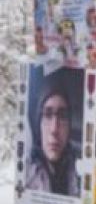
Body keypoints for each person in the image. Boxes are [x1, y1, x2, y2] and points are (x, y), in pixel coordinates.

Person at [23, 68, 80, 196]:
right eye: (48, 115)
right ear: (38, 123)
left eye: (63, 116)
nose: (54, 129)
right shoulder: (26, 176)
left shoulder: (80, 175)